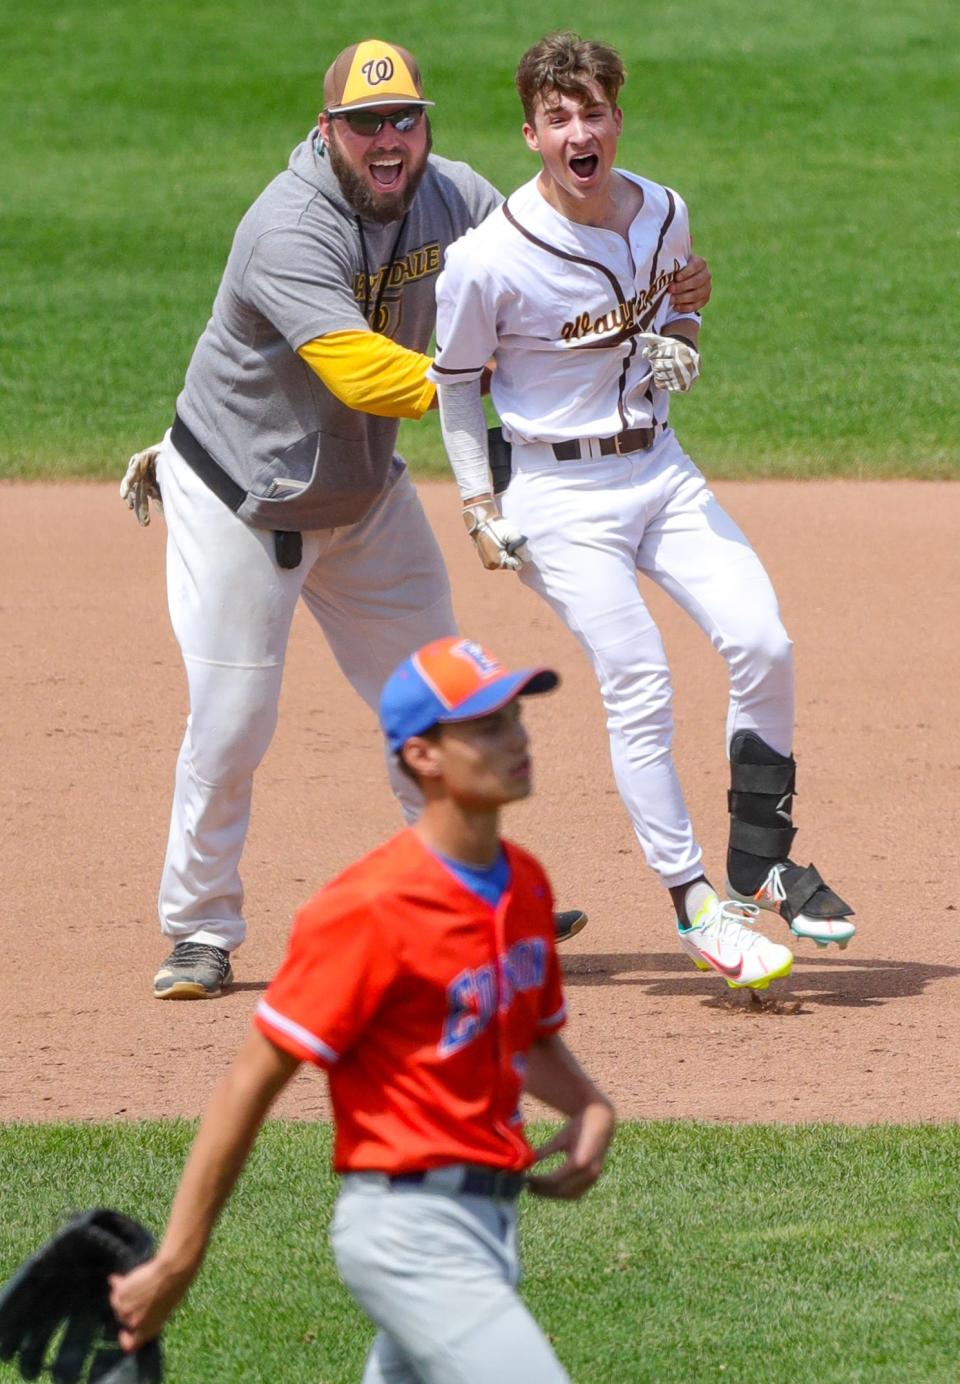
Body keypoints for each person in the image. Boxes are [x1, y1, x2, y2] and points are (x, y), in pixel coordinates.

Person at [120, 36, 714, 1000]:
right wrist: (499, 392)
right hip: (242, 498)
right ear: (329, 134)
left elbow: (551, 248)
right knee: (233, 723)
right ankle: (199, 930)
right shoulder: (286, 228)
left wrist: (659, 288)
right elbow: (358, 369)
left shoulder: (457, 195)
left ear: (425, 122)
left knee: (447, 704)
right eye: (365, 126)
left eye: (403, 119)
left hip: (362, 497)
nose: (387, 141)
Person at [428, 32, 856, 991]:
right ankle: (696, 905)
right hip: (558, 496)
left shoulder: (663, 209)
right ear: (531, 133)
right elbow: (455, 386)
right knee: (640, 679)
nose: (580, 132)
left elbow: (675, 312)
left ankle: (758, 858)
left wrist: (685, 336)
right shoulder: (487, 259)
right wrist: (477, 504)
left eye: (594, 113)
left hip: (660, 470)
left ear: (617, 118)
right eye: (558, 118)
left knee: (764, 642)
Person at [109, 636, 616, 1383]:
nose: (517, 740)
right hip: (408, 1233)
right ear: (423, 757)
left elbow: (520, 1033)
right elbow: (250, 1082)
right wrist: (179, 1260)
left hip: (490, 1228)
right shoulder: (368, 909)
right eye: (486, 726)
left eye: (515, 718)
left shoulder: (527, 886)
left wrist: (589, 1105)